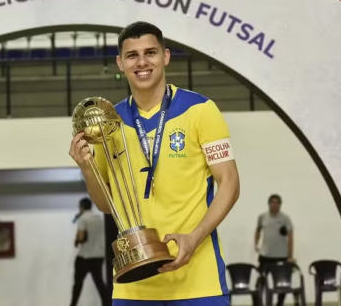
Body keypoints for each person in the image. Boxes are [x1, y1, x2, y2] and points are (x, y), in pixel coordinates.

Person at [69, 21, 240, 306]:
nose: (142, 62)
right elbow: (106, 205)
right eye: (132, 55)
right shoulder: (109, 123)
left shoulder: (200, 110)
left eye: (150, 52)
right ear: (120, 63)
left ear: (165, 56)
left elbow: (230, 184)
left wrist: (195, 238)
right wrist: (87, 168)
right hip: (134, 284)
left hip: (198, 282)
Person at [254, 194, 294, 306]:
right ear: (269, 203)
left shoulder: (285, 218)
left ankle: (279, 304)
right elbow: (258, 230)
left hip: (281, 256)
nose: (275, 205)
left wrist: (290, 255)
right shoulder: (262, 217)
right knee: (260, 283)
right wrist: (256, 244)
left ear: (280, 205)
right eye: (273, 202)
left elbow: (290, 237)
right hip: (265, 256)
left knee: (283, 284)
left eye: (277, 203)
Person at [70, 197, 110, 306]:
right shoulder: (98, 218)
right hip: (98, 256)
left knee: (78, 284)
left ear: (81, 207)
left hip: (85, 256)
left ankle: (73, 304)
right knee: (100, 283)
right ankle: (107, 304)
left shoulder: (83, 219)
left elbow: (81, 237)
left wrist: (76, 241)